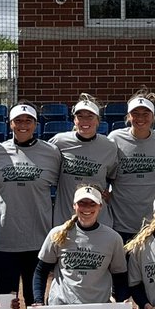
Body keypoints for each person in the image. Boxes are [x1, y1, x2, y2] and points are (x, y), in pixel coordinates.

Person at [0, 103, 61, 309]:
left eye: (28, 121)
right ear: (10, 124)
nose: (23, 125)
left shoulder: (51, 153)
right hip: (3, 240)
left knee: (36, 305)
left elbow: (65, 186)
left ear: (35, 125)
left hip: (38, 240)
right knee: (4, 306)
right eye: (18, 121)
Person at [32, 186, 127, 306]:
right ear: (74, 205)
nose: (87, 207)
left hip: (98, 308)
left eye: (92, 204)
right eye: (81, 203)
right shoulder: (58, 234)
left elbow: (120, 276)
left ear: (100, 206)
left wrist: (122, 303)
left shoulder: (113, 238)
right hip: (61, 306)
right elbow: (41, 271)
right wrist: (38, 301)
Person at [106, 94, 155, 241]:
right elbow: (105, 171)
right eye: (135, 114)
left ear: (153, 116)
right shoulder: (115, 138)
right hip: (121, 222)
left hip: (153, 223)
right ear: (128, 116)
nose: (140, 118)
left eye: (145, 114)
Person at [52, 95, 118, 226]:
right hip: (65, 218)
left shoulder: (109, 146)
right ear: (74, 120)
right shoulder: (60, 141)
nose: (84, 120)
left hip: (99, 219)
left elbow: (113, 177)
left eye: (90, 116)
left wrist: (110, 193)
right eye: (80, 116)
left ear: (98, 121)